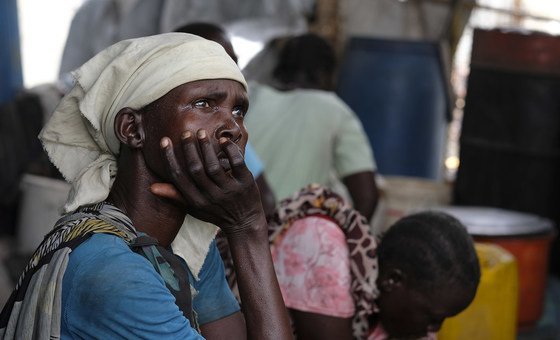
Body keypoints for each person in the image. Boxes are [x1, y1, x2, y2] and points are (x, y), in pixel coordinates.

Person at [0, 33, 292, 339]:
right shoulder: (114, 270)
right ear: (132, 129)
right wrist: (247, 229)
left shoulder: (188, 248)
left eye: (238, 111)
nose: (233, 128)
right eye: (204, 103)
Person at [219, 185, 480, 339]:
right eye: (433, 318)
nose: (434, 330)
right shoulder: (323, 248)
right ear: (393, 281)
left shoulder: (385, 302)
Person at [244, 33, 379, 221]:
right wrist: (351, 240)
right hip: (290, 235)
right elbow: (367, 195)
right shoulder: (336, 110)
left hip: (235, 233)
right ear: (327, 73)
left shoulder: (250, 97)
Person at [174, 21, 277, 220]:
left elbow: (265, 201)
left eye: (234, 62)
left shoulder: (227, 132)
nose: (233, 70)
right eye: (203, 104)